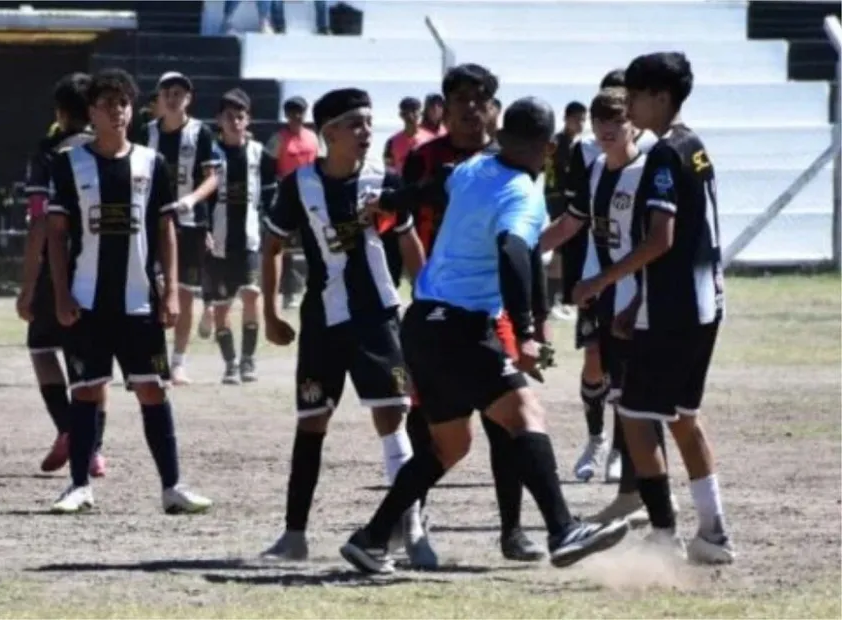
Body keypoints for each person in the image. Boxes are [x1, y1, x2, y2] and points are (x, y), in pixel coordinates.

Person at [339, 97, 629, 575]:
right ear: (549, 147)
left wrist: (392, 202)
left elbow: (433, 189)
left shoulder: (475, 166)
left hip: (423, 324)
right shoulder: (522, 191)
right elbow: (515, 251)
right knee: (525, 413)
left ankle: (372, 538)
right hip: (462, 327)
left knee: (449, 446)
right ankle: (561, 529)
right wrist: (529, 330)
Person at [259, 87, 434, 568]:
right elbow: (271, 247)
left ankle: (413, 529)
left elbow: (408, 240)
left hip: (377, 317)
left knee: (392, 416)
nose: (365, 132)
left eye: (368, 123)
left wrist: (426, 300)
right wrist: (271, 314)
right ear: (328, 133)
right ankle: (294, 535)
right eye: (355, 124)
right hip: (322, 323)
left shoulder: (385, 181)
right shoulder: (298, 185)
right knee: (312, 420)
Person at [570, 52, 733, 564]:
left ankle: (664, 533)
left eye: (636, 95)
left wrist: (604, 279)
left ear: (660, 96)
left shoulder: (663, 155)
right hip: (706, 302)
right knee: (684, 415)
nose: (630, 105)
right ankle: (714, 532)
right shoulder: (697, 146)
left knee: (636, 415)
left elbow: (661, 239)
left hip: (671, 307)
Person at [44, 68, 212, 514]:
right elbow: (56, 234)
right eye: (106, 104)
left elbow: (165, 228)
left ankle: (172, 486)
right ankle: (79, 486)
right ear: (91, 113)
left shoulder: (150, 162)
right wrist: (60, 294)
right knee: (84, 391)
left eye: (122, 103)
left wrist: (171, 290)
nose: (116, 111)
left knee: (153, 391)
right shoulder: (69, 164)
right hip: (87, 301)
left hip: (140, 302)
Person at [397, 65, 545, 562]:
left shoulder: (506, 162)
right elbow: (398, 219)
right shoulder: (425, 159)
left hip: (490, 307)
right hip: (437, 306)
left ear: (494, 109)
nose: (468, 107)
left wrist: (533, 323)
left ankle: (513, 528)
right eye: (458, 98)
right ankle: (414, 519)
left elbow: (523, 246)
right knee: (429, 418)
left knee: (506, 416)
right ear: (444, 105)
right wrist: (421, 276)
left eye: (479, 99)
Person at [562, 69, 659, 486]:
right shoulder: (585, 154)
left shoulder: (650, 154)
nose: (607, 127)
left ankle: (622, 452)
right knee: (592, 359)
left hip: (628, 282)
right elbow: (573, 218)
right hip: (590, 272)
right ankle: (596, 438)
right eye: (601, 116)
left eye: (617, 116)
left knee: (625, 373)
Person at [17, 73, 109, 476]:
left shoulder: (49, 153)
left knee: (41, 348)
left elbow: (40, 221)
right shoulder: (112, 149)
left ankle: (69, 429)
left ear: (59, 112)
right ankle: (96, 448)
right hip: (106, 267)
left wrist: (26, 285)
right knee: (93, 363)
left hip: (60, 266)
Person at [138, 72, 220, 386]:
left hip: (189, 223)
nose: (173, 98)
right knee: (155, 290)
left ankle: (178, 362)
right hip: (153, 224)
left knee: (184, 294)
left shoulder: (201, 134)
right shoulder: (147, 133)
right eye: (167, 92)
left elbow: (212, 177)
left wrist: (191, 200)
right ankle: (155, 358)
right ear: (159, 97)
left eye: (179, 93)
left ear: (188, 98)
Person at [206, 89, 278, 385]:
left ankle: (248, 359)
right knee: (221, 305)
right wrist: (205, 230)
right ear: (219, 120)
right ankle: (230, 362)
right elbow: (202, 197)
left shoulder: (260, 154)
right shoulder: (210, 154)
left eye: (240, 116)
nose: (235, 122)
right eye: (229, 117)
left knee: (252, 294)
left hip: (249, 239)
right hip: (219, 241)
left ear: (248, 119)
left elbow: (270, 196)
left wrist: (271, 227)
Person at [265, 96, 320, 310]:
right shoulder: (277, 139)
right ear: (286, 115)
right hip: (287, 196)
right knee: (286, 247)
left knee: (312, 243)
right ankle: (289, 292)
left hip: (312, 196)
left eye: (300, 112)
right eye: (292, 112)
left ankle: (313, 287)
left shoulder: (314, 138)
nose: (296, 116)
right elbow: (268, 169)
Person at [380, 96, 433, 287]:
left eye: (415, 110)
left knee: (423, 244)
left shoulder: (431, 139)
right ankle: (391, 285)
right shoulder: (392, 142)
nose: (411, 115)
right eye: (406, 111)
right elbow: (389, 169)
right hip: (400, 199)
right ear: (400, 114)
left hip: (423, 201)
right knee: (393, 245)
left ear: (420, 113)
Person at [543, 100, 587, 322]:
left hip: (559, 199)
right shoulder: (563, 144)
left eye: (583, 119)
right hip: (559, 200)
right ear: (567, 119)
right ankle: (552, 301)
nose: (580, 123)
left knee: (563, 252)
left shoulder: (566, 142)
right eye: (577, 119)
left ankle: (557, 299)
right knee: (559, 252)